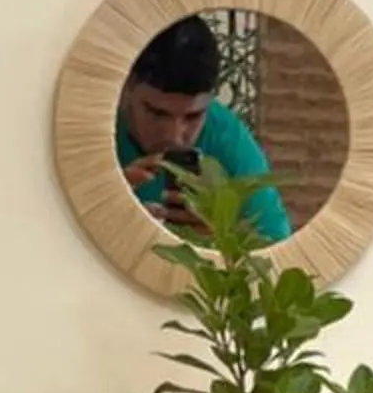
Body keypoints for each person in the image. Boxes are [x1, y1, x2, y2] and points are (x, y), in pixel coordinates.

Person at [116, 15, 293, 244]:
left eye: (193, 116)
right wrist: (107, 211)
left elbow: (275, 247)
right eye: (157, 113)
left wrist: (218, 238)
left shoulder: (226, 135)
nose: (174, 136)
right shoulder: (88, 127)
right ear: (127, 85)